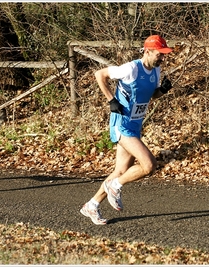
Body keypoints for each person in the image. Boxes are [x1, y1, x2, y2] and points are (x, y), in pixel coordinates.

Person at [80, 35, 174, 225]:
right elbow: (100, 75)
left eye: (164, 55)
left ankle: (92, 205)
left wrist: (162, 90)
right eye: (159, 54)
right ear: (147, 51)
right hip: (121, 123)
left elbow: (151, 96)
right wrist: (111, 100)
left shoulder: (156, 71)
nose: (162, 58)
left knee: (121, 170)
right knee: (149, 165)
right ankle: (114, 186)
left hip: (135, 124)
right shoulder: (131, 68)